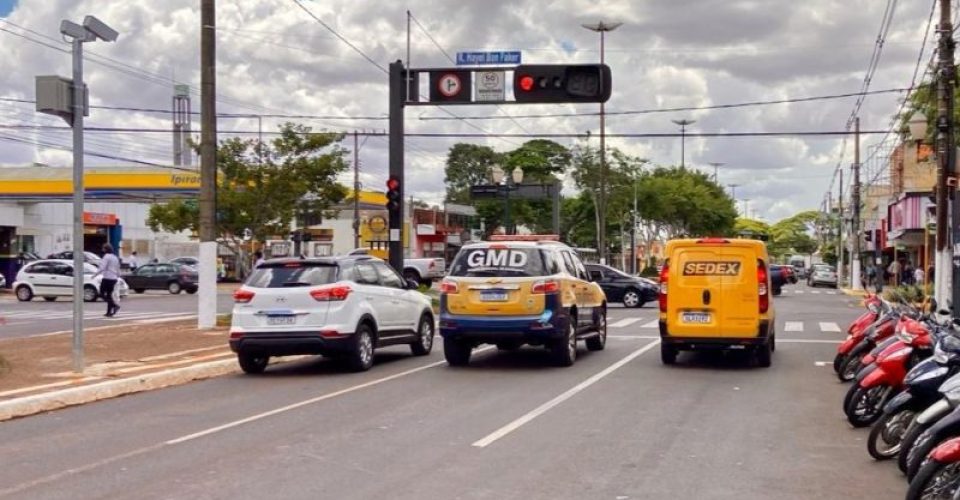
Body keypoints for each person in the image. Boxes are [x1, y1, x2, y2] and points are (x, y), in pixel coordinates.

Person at [94, 243, 121, 317]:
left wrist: (95, 274)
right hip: (114, 278)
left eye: (103, 248)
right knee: (109, 295)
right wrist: (118, 275)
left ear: (106, 249)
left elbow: (102, 267)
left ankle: (114, 305)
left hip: (107, 278)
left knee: (102, 293)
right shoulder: (115, 257)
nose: (102, 250)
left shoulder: (106, 257)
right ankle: (109, 312)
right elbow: (118, 268)